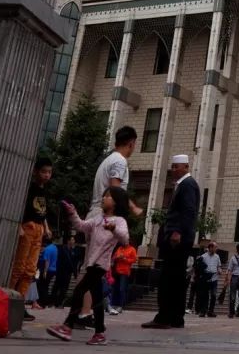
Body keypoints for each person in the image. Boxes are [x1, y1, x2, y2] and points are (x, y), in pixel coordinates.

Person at [74, 126, 143, 327]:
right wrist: (132, 207)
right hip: (104, 217)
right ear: (131, 142)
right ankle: (81, 312)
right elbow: (115, 189)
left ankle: (82, 311)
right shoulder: (120, 161)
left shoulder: (108, 160)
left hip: (96, 213)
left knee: (93, 266)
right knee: (94, 267)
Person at [46, 186, 131, 345]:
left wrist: (113, 229)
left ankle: (67, 326)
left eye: (108, 196)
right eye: (104, 196)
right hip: (91, 263)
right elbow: (81, 226)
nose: (104, 198)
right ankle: (99, 333)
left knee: (79, 290)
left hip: (100, 264)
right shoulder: (98, 218)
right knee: (97, 299)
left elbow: (125, 238)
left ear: (116, 203)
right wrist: (73, 213)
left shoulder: (119, 221)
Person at [143, 154, 200, 330]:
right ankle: (176, 317)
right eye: (173, 167)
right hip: (180, 239)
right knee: (176, 279)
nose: (174, 170)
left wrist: (177, 232)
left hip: (178, 240)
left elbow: (188, 211)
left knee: (168, 278)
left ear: (186, 167)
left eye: (177, 167)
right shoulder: (182, 185)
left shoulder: (187, 185)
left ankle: (165, 316)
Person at [9, 156, 53, 322]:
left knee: (30, 269)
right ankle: (8, 299)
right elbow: (21, 207)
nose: (47, 175)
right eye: (44, 172)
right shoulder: (30, 188)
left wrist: (46, 228)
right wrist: (19, 225)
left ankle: (19, 305)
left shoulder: (43, 191)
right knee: (19, 267)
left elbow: (43, 212)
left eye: (49, 172)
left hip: (39, 230)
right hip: (28, 227)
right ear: (36, 172)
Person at [110, 239, 138, 314]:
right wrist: (116, 258)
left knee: (122, 289)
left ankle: (120, 306)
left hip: (125, 272)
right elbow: (114, 257)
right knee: (115, 288)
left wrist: (125, 259)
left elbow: (134, 259)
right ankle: (113, 305)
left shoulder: (132, 249)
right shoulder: (119, 248)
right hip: (117, 271)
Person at [51, 235, 80, 308]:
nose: (73, 242)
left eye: (74, 240)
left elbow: (75, 261)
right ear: (68, 241)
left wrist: (75, 273)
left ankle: (60, 303)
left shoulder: (74, 250)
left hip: (68, 272)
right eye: (72, 240)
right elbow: (59, 259)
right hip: (60, 271)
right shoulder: (62, 248)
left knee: (64, 288)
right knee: (56, 286)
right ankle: (52, 302)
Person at [196, 241, 221, 317]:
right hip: (206, 277)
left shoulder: (217, 256)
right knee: (205, 295)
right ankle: (203, 311)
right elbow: (199, 267)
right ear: (210, 248)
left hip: (214, 277)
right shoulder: (203, 256)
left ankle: (211, 311)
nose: (216, 248)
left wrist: (219, 270)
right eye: (215, 247)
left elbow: (219, 266)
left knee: (213, 295)